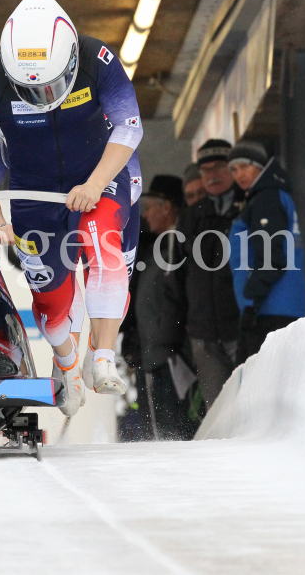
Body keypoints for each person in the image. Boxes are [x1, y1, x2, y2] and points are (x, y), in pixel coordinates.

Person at [0, 0, 144, 418]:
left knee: (104, 249)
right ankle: (66, 364)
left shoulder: (98, 59)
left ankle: (102, 355)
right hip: (34, 197)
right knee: (52, 298)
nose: (43, 96)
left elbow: (129, 126)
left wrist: (97, 183)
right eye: (31, 89)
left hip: (99, 178)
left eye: (50, 85)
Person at [132, 175, 200, 440]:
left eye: (150, 207)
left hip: (172, 360)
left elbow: (180, 301)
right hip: (157, 356)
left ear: (167, 207)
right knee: (161, 433)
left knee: (172, 436)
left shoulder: (179, 246)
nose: (146, 216)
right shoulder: (158, 247)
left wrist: (171, 349)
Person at [227, 141, 305, 362]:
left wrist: (252, 302)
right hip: (283, 306)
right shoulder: (274, 195)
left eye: (245, 166)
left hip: (270, 309)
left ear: (261, 167)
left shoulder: (267, 199)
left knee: (257, 386)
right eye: (234, 169)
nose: (239, 174)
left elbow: (272, 255)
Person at [178, 139, 241, 410]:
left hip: (240, 328)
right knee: (216, 413)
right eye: (205, 170)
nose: (212, 175)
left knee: (248, 407)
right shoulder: (191, 216)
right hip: (203, 333)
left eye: (218, 166)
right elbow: (180, 272)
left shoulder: (249, 205)